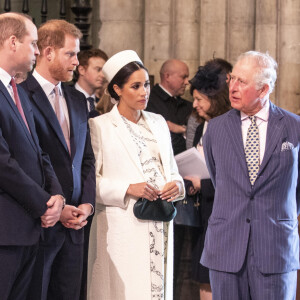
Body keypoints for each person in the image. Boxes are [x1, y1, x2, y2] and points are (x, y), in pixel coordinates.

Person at [201, 51, 300, 299]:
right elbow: (218, 179)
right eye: (232, 79)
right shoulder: (215, 129)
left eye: (241, 82)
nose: (232, 87)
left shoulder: (294, 127)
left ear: (264, 89)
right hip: (226, 248)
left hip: (275, 248)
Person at [88, 50, 185, 300]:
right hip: (122, 228)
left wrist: (177, 186)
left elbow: (173, 171)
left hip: (159, 223)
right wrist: (128, 188)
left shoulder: (158, 122)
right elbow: (91, 184)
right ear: (117, 89)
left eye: (147, 84)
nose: (145, 92)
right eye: (136, 86)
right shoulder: (99, 126)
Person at [20, 19, 95, 300]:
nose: (77, 61)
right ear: (48, 52)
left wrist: (86, 205)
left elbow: (86, 159)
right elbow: (27, 161)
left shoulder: (77, 99)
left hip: (76, 224)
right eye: (71, 54)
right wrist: (56, 206)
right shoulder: (20, 94)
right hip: (41, 221)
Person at [0, 12, 64, 299]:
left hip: (30, 228)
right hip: (5, 231)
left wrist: (57, 197)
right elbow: (2, 163)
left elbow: (40, 153)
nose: (38, 51)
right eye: (34, 43)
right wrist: (43, 203)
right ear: (13, 42)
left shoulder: (19, 91)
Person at [184, 61, 231, 300]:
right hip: (205, 217)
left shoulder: (230, 128)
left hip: (225, 219)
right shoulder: (205, 126)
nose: (195, 105)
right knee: (204, 281)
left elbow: (238, 181)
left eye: (200, 99)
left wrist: (203, 184)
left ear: (216, 98)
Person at [146, 58, 192, 155]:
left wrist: (182, 129)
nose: (187, 82)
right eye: (183, 77)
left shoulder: (188, 106)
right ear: (167, 76)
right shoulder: (148, 102)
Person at [74, 48, 110, 118]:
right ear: (82, 70)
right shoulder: (64, 97)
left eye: (104, 71)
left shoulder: (103, 102)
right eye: (98, 69)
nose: (103, 75)